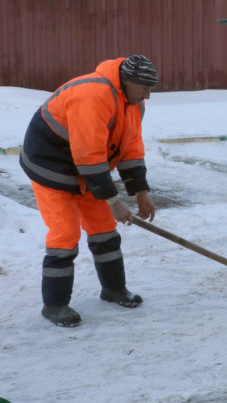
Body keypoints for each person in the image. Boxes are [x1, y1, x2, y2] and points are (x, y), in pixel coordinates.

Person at [19, 55, 158, 327]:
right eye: (144, 89)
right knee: (65, 233)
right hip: (50, 166)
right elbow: (88, 154)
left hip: (85, 168)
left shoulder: (133, 104)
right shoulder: (93, 95)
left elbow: (130, 148)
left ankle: (114, 288)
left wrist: (141, 192)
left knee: (104, 228)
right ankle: (55, 305)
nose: (148, 96)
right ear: (127, 81)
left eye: (150, 89)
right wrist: (113, 200)